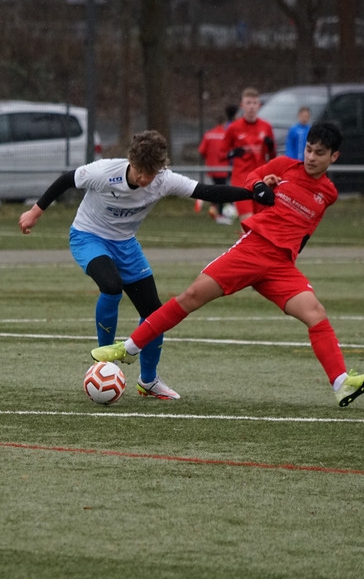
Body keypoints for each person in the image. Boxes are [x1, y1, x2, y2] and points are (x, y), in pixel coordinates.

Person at [91, 122, 364, 407]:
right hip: (252, 250)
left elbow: (305, 230)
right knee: (191, 297)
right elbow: (252, 177)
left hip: (281, 265)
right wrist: (260, 185)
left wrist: (292, 254)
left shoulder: (328, 194)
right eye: (308, 149)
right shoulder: (283, 166)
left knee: (315, 313)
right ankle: (129, 348)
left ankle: (341, 383)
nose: (311, 157)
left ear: (334, 156)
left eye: (319, 153)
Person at [19, 130, 273, 400]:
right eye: (139, 171)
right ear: (131, 161)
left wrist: (252, 194)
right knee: (111, 287)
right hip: (88, 237)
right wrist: (35, 212)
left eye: (149, 174)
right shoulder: (103, 172)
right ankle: (104, 363)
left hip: (126, 245)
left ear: (159, 169)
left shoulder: (164, 180)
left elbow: (208, 191)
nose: (143, 178)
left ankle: (148, 381)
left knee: (154, 312)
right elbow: (66, 180)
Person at [223, 87, 276, 227]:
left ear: (259, 105)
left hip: (260, 179)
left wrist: (271, 147)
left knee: (259, 224)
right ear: (242, 105)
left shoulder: (266, 127)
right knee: (248, 221)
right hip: (241, 180)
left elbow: (272, 156)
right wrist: (232, 153)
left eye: (254, 103)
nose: (251, 106)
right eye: (248, 103)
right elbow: (222, 154)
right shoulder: (234, 128)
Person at [196, 105, 236, 224]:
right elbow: (231, 151)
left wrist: (209, 158)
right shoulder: (227, 134)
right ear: (224, 123)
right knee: (222, 191)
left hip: (212, 168)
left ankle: (214, 208)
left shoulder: (208, 134)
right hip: (223, 168)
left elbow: (202, 150)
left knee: (217, 189)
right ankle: (221, 214)